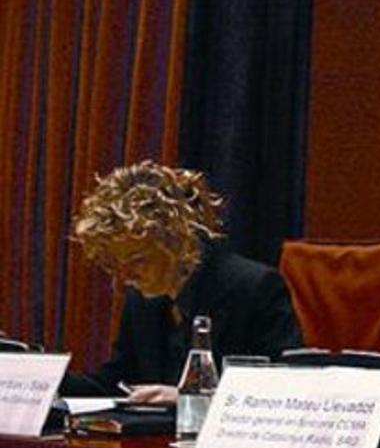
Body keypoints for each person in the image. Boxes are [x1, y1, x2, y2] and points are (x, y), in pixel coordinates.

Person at [61, 160, 303, 402]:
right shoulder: (142, 299)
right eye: (115, 265)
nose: (123, 279)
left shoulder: (254, 288)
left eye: (138, 261)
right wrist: (46, 379)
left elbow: (282, 391)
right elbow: (114, 383)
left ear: (176, 242)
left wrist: (188, 398)